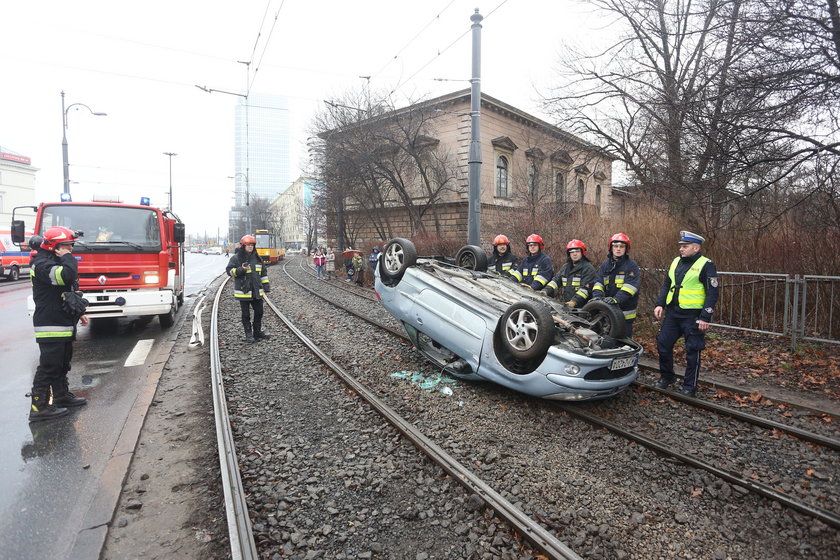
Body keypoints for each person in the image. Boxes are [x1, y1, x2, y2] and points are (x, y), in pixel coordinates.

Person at [28, 226, 89, 422]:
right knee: (49, 366)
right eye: (66, 246)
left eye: (71, 246)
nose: (70, 249)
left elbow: (67, 291)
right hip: (50, 324)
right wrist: (67, 257)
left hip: (62, 321)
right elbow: (66, 276)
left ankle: (61, 396)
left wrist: (80, 313)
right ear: (54, 246)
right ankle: (39, 407)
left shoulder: (54, 260)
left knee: (62, 363)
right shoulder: (42, 264)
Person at [653, 231, 720, 397]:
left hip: (693, 316)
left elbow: (713, 292)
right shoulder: (676, 261)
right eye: (680, 246)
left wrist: (706, 316)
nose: (681, 249)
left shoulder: (706, 264)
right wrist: (660, 303)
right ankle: (667, 377)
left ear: (696, 248)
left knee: (693, 350)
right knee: (663, 344)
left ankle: (690, 386)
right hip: (673, 313)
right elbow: (667, 284)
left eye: (685, 246)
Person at [592, 233, 640, 337]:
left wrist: (616, 299)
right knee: (607, 339)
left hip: (625, 313)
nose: (618, 249)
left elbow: (631, 286)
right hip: (608, 311)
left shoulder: (631, 265)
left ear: (626, 249)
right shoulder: (605, 265)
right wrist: (597, 298)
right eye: (615, 246)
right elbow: (598, 283)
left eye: (621, 246)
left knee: (624, 342)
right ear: (611, 248)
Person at [226, 235, 271, 343]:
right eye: (248, 245)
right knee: (246, 315)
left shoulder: (258, 258)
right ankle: (249, 335)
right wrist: (241, 269)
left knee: (259, 312)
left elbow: (263, 273)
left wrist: (266, 285)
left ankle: (257, 332)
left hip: (256, 291)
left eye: (252, 245)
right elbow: (229, 271)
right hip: (244, 292)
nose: (250, 247)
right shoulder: (236, 258)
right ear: (243, 246)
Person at [545, 239, 597, 307]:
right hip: (567, 305)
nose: (574, 254)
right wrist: (546, 291)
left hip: (582, 308)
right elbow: (556, 281)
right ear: (569, 254)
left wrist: (574, 301)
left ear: (582, 252)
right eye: (572, 252)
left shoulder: (588, 269)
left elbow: (585, 290)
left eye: (577, 251)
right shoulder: (565, 267)